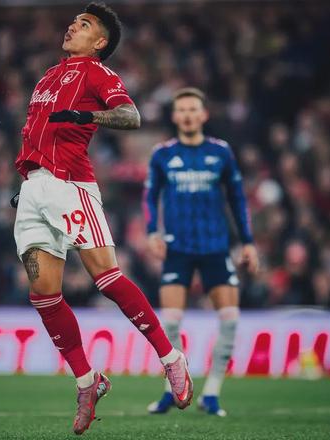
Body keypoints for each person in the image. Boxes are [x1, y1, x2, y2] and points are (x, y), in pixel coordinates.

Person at [12, 2, 192, 435]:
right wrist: (30, 182)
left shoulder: (97, 73)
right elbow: (37, 134)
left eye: (84, 24)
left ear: (100, 41)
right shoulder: (48, 76)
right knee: (43, 293)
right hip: (34, 188)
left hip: (70, 184)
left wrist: (86, 115)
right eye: (75, 21)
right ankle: (87, 381)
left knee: (106, 277)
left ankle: (171, 358)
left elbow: (132, 116)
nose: (72, 26)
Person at [144, 88, 258, 416]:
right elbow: (150, 196)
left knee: (230, 319)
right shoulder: (162, 154)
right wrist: (152, 231)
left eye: (194, 109)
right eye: (182, 110)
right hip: (177, 247)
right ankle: (172, 389)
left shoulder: (221, 152)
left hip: (215, 246)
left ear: (204, 115)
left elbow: (237, 198)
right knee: (170, 324)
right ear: (174, 116)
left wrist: (248, 241)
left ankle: (212, 393)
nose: (188, 115)